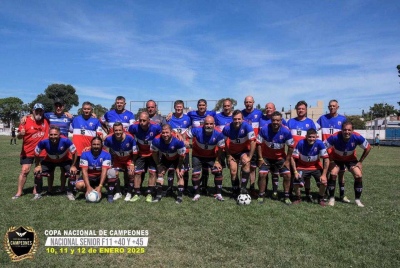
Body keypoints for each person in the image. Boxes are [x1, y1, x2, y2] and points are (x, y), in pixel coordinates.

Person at [323, 121, 371, 207]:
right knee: (333, 174)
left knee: (358, 175)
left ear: (353, 130)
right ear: (341, 130)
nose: (347, 132)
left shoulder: (357, 137)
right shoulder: (334, 137)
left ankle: (357, 200)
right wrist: (331, 160)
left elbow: (368, 147)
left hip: (350, 159)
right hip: (336, 159)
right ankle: (331, 198)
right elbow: (323, 147)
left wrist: (360, 162)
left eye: (349, 130)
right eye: (345, 130)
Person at [13, 103, 50, 199]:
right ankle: (19, 192)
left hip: (41, 152)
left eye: (40, 111)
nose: (38, 112)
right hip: (27, 151)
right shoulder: (25, 121)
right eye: (36, 110)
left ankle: (36, 190)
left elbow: (58, 114)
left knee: (38, 172)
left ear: (43, 112)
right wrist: (21, 134)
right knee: (24, 170)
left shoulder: (46, 121)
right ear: (33, 111)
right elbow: (19, 137)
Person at [256, 111, 294, 205]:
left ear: (281, 121)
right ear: (271, 120)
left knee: (287, 175)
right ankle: (261, 195)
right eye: (273, 120)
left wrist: (287, 160)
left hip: (280, 158)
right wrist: (260, 158)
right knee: (262, 174)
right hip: (266, 158)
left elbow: (291, 146)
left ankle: (286, 196)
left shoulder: (286, 131)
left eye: (278, 120)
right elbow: (258, 144)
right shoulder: (264, 129)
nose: (275, 122)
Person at [316, 99, 349, 203]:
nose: (332, 107)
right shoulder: (322, 118)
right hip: (327, 152)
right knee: (330, 173)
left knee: (341, 174)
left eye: (334, 106)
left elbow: (348, 133)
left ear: (338, 107)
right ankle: (329, 195)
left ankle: (342, 195)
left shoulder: (343, 119)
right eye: (330, 106)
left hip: (340, 151)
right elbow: (313, 129)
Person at [33, 126, 78, 200]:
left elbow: (75, 153)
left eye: (55, 134)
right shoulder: (43, 142)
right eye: (51, 134)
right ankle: (38, 193)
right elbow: (36, 153)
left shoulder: (66, 141)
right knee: (37, 172)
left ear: (59, 134)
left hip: (64, 160)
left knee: (72, 172)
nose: (53, 137)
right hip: (49, 160)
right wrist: (38, 165)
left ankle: (70, 192)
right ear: (48, 135)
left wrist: (73, 165)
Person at [187, 116, 225, 201]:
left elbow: (221, 149)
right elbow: (185, 135)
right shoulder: (197, 130)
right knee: (195, 174)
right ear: (203, 124)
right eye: (207, 123)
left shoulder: (219, 133)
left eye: (211, 124)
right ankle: (197, 194)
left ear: (214, 125)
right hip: (197, 155)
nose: (209, 125)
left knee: (218, 171)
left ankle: (218, 194)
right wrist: (184, 140)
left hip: (211, 156)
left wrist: (218, 161)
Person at [127, 112, 161, 202]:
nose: (141, 122)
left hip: (152, 154)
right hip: (140, 153)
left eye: (144, 120)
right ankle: (137, 193)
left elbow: (164, 134)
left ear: (149, 120)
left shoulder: (156, 127)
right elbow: (128, 135)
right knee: (137, 173)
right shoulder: (134, 126)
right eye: (140, 120)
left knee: (152, 173)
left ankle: (150, 193)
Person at [287, 100, 318, 199]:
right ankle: (291, 192)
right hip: (293, 152)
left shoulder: (310, 122)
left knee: (307, 174)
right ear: (296, 109)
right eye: (299, 108)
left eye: (302, 109)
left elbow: (314, 137)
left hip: (306, 153)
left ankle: (308, 193)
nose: (300, 110)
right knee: (292, 173)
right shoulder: (290, 122)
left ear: (306, 110)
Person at [222, 110, 256, 198]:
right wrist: (228, 155)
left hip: (243, 151)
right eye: (235, 119)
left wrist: (249, 157)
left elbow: (253, 142)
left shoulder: (247, 126)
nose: (237, 121)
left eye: (239, 119)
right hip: (232, 152)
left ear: (242, 119)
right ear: (232, 119)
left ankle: (243, 189)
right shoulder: (227, 128)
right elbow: (223, 142)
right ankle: (235, 190)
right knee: (233, 171)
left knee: (246, 163)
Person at [292, 128, 329, 206]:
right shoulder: (300, 143)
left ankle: (320, 198)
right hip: (302, 166)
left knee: (323, 182)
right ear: (306, 136)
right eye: (309, 137)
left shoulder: (320, 143)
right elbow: (293, 158)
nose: (311, 139)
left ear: (316, 137)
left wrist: (324, 175)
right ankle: (298, 198)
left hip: (315, 167)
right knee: (296, 182)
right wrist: (295, 171)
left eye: (313, 137)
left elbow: (326, 159)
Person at [151, 124, 186, 204]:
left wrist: (179, 167)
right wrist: (158, 165)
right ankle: (158, 196)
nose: (165, 135)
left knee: (179, 175)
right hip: (165, 158)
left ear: (171, 132)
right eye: (163, 133)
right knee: (160, 174)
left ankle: (179, 196)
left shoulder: (178, 141)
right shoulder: (156, 140)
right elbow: (154, 154)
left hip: (177, 159)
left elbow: (181, 156)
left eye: (167, 132)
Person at [103, 122, 138, 202]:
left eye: (119, 130)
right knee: (112, 173)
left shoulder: (130, 138)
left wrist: (132, 163)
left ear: (123, 130)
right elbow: (104, 150)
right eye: (116, 130)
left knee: (131, 173)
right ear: (113, 130)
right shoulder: (109, 139)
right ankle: (118, 192)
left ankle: (129, 193)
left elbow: (135, 153)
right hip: (117, 160)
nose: (118, 132)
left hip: (128, 160)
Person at [165, 100, 192, 195]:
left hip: (185, 148)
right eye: (177, 107)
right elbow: (165, 129)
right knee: (171, 168)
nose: (178, 108)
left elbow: (192, 129)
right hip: (172, 148)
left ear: (183, 107)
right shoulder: (169, 118)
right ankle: (170, 188)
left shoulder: (188, 118)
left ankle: (185, 188)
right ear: (174, 108)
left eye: (180, 107)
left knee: (185, 169)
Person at [75, 136, 112, 201]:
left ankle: (110, 194)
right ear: (91, 145)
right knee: (78, 185)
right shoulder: (85, 154)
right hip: (89, 177)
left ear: (101, 145)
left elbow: (104, 171)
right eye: (94, 144)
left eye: (98, 144)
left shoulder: (106, 154)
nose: (96, 146)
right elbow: (84, 171)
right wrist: (88, 186)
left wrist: (100, 186)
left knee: (113, 173)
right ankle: (91, 189)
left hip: (100, 176)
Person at [70, 102, 103, 167]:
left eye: (88, 109)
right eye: (85, 109)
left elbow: (100, 136)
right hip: (76, 151)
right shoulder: (76, 119)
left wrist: (92, 147)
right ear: (82, 109)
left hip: (89, 151)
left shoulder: (96, 121)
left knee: (87, 173)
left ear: (91, 110)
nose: (86, 111)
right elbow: (69, 129)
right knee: (75, 173)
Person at [242, 96, 263, 197]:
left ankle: (252, 187)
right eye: (246, 102)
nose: (248, 104)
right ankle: (242, 187)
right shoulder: (241, 114)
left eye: (250, 102)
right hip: (243, 145)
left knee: (253, 168)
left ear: (253, 102)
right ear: (244, 103)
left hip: (254, 145)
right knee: (244, 166)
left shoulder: (259, 113)